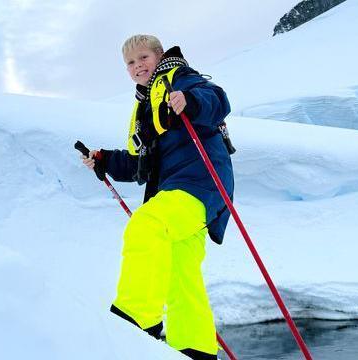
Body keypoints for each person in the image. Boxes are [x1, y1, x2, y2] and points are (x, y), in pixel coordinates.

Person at [81, 34, 234, 360]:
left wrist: (189, 103)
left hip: (201, 183)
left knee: (147, 224)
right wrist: (104, 160)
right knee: (181, 275)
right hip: (178, 194)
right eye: (131, 63)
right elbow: (141, 164)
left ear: (159, 56)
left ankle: (135, 322)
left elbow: (217, 100)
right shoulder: (144, 107)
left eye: (143, 58)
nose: (138, 66)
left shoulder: (181, 79)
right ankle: (196, 350)